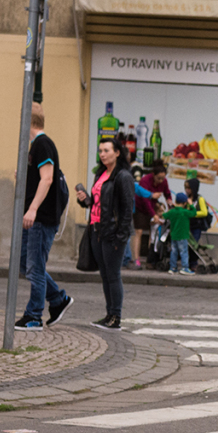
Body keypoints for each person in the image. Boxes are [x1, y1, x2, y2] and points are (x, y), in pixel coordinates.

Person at [14, 102, 73, 332]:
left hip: (41, 218)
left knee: (35, 267)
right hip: (36, 217)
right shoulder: (36, 146)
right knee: (25, 263)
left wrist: (32, 209)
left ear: (27, 121)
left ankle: (34, 315)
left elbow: (47, 178)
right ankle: (58, 300)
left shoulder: (42, 144)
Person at [75, 137, 135, 330]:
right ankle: (109, 314)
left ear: (117, 152)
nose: (102, 154)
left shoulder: (123, 176)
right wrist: (85, 200)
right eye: (100, 151)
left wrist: (120, 236)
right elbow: (98, 203)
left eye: (107, 150)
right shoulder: (100, 174)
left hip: (112, 233)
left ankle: (115, 317)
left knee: (113, 275)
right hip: (96, 230)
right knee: (105, 275)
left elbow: (127, 210)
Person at [132, 161, 171, 267]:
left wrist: (170, 204)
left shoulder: (164, 182)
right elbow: (145, 200)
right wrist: (153, 215)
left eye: (163, 178)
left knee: (153, 232)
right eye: (159, 178)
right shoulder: (145, 181)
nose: (161, 181)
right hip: (141, 208)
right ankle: (136, 259)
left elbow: (167, 193)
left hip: (152, 207)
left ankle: (151, 259)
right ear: (153, 175)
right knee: (138, 231)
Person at [161, 192, 196, 276]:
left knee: (174, 252)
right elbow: (194, 213)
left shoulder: (172, 212)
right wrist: (191, 205)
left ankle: (172, 268)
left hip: (173, 235)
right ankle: (184, 268)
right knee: (184, 252)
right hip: (183, 235)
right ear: (185, 203)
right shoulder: (185, 212)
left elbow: (164, 215)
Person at [184, 176, 211, 269]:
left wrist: (192, 213)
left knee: (193, 245)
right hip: (187, 226)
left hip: (196, 226)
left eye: (189, 188)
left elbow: (204, 212)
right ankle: (187, 263)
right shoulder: (186, 199)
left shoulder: (200, 199)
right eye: (186, 188)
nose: (187, 190)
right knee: (187, 245)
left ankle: (193, 263)